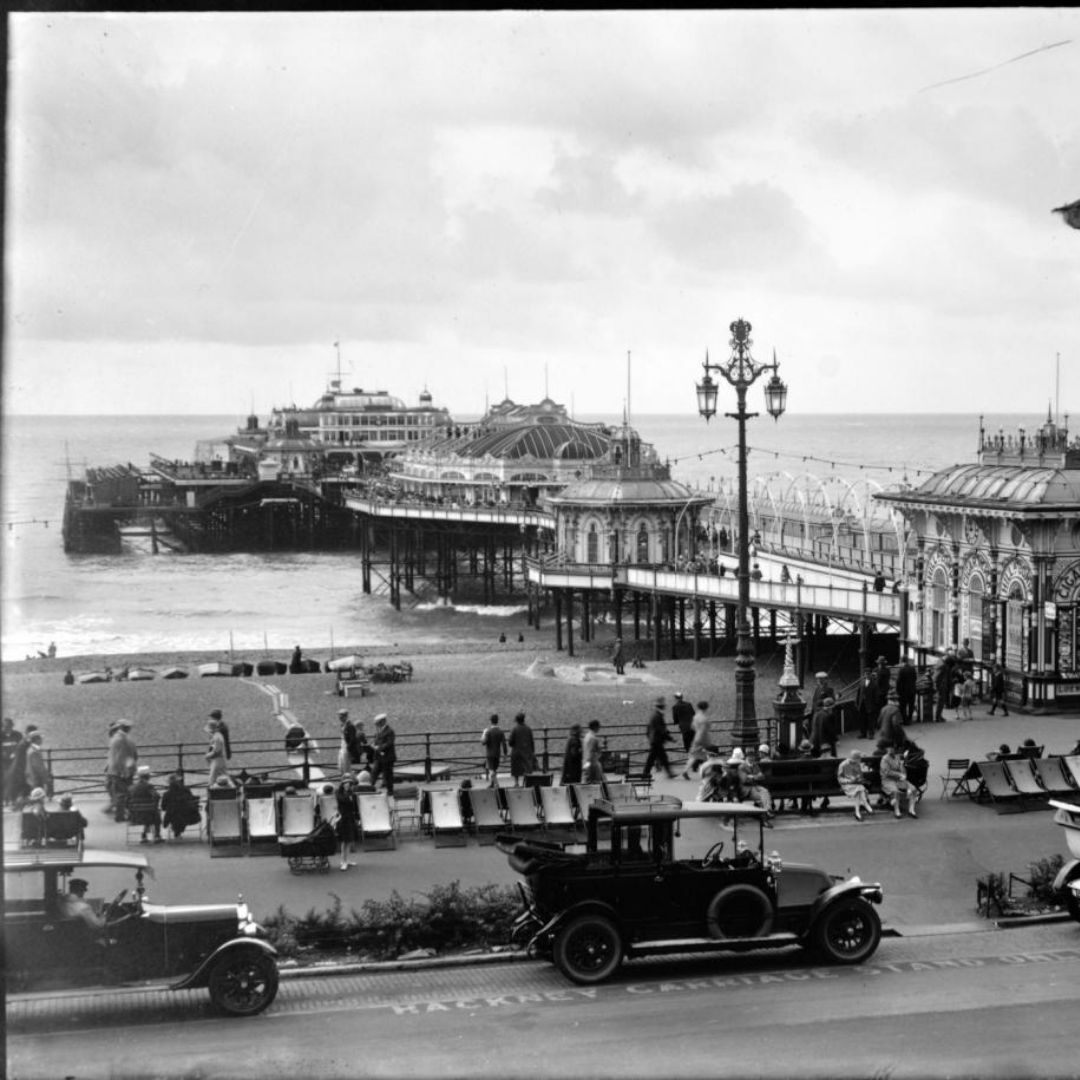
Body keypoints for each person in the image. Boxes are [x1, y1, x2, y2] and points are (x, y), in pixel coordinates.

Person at [105, 720, 138, 821]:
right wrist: (124, 771)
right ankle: (121, 815)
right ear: (127, 728)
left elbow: (117, 757)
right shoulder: (124, 739)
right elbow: (127, 756)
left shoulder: (117, 739)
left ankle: (121, 814)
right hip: (122, 771)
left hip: (118, 770)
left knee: (121, 793)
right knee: (123, 794)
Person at [880, 742, 918, 819]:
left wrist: (903, 773)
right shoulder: (884, 759)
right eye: (889, 748)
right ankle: (897, 811)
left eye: (892, 748)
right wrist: (899, 774)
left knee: (913, 789)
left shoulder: (897, 757)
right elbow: (887, 772)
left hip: (898, 780)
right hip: (888, 780)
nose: (890, 750)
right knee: (895, 791)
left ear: (895, 749)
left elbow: (901, 768)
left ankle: (911, 810)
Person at [837, 749, 875, 822]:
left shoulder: (857, 764)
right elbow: (840, 778)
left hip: (856, 784)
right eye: (858, 759)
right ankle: (865, 804)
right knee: (859, 789)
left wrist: (858, 778)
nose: (859, 761)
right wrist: (849, 780)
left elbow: (860, 775)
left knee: (858, 790)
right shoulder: (843, 765)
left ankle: (857, 812)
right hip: (846, 785)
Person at [128, 765, 163, 843]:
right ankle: (157, 835)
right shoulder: (149, 786)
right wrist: (155, 806)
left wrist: (130, 810)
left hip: (135, 816)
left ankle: (144, 836)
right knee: (153, 812)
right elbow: (156, 796)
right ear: (148, 777)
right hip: (150, 816)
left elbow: (126, 801)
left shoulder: (131, 788)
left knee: (147, 811)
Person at [642, 697, 675, 780]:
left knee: (658, 758)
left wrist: (649, 737)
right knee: (655, 758)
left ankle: (646, 774)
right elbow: (661, 730)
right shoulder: (658, 716)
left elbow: (649, 728)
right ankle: (646, 774)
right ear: (662, 707)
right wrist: (670, 738)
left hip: (654, 740)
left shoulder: (654, 715)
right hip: (657, 740)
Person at [161, 773, 201, 839]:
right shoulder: (186, 790)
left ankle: (176, 830)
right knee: (180, 811)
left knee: (173, 812)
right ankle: (178, 831)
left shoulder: (167, 794)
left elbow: (163, 807)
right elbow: (192, 800)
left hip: (173, 816)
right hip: (189, 815)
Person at [334, 777, 361, 871]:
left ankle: (347, 860)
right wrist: (350, 795)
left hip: (350, 818)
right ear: (342, 784)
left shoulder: (352, 794)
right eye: (346, 783)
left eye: (349, 784)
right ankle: (343, 861)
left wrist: (358, 818)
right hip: (343, 819)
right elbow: (344, 800)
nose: (348, 785)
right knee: (344, 841)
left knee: (349, 840)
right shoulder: (338, 793)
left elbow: (355, 807)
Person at [680, 700, 712, 779]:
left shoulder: (695, 717)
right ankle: (707, 771)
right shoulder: (704, 719)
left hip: (696, 737)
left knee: (693, 756)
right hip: (703, 739)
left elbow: (692, 727)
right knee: (709, 754)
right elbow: (704, 730)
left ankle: (685, 770)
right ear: (706, 708)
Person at [507, 712, 537, 786]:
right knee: (527, 766)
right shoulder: (528, 729)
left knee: (515, 767)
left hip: (516, 751)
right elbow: (532, 741)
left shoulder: (514, 729)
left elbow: (510, 742)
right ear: (523, 720)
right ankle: (527, 781)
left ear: (517, 720)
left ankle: (516, 782)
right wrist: (532, 751)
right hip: (527, 751)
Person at [372, 714, 396, 796]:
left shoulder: (389, 731)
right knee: (374, 772)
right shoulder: (379, 730)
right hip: (379, 757)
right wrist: (374, 745)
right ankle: (368, 788)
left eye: (377, 723)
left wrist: (379, 747)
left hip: (387, 757)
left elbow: (389, 743)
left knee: (387, 775)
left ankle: (390, 791)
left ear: (382, 722)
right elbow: (376, 740)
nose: (377, 725)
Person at [480, 714, 508, 786]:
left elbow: (483, 743)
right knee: (494, 769)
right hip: (497, 753)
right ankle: (492, 784)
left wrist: (484, 733)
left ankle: (496, 784)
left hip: (490, 754)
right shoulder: (501, 732)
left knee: (491, 770)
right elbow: (504, 744)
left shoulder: (488, 732)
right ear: (497, 721)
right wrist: (505, 755)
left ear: (491, 721)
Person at [25, 731, 52, 799]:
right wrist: (46, 779)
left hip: (34, 778)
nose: (41, 740)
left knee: (37, 798)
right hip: (37, 779)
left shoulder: (32, 750)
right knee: (38, 798)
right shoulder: (34, 752)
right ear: (36, 740)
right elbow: (39, 768)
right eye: (40, 738)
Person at [854, 667, 880, 740]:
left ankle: (871, 734)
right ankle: (863, 733)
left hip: (870, 704)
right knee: (862, 719)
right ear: (864, 674)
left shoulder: (874, 684)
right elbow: (858, 693)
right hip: (862, 704)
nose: (867, 675)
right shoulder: (862, 682)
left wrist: (875, 704)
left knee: (871, 720)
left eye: (868, 674)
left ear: (871, 674)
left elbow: (876, 696)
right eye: (866, 674)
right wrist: (857, 702)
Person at [205, 718, 231, 788]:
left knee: (212, 779)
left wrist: (208, 756)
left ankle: (211, 793)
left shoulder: (217, 738)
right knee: (224, 777)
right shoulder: (217, 736)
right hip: (219, 761)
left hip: (218, 761)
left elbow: (216, 751)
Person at [895, 657, 917, 725]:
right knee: (911, 705)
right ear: (907, 661)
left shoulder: (901, 670)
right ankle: (909, 719)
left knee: (903, 706)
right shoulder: (912, 668)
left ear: (902, 661)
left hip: (904, 691)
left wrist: (897, 690)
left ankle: (905, 720)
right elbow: (915, 678)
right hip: (912, 690)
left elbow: (898, 681)